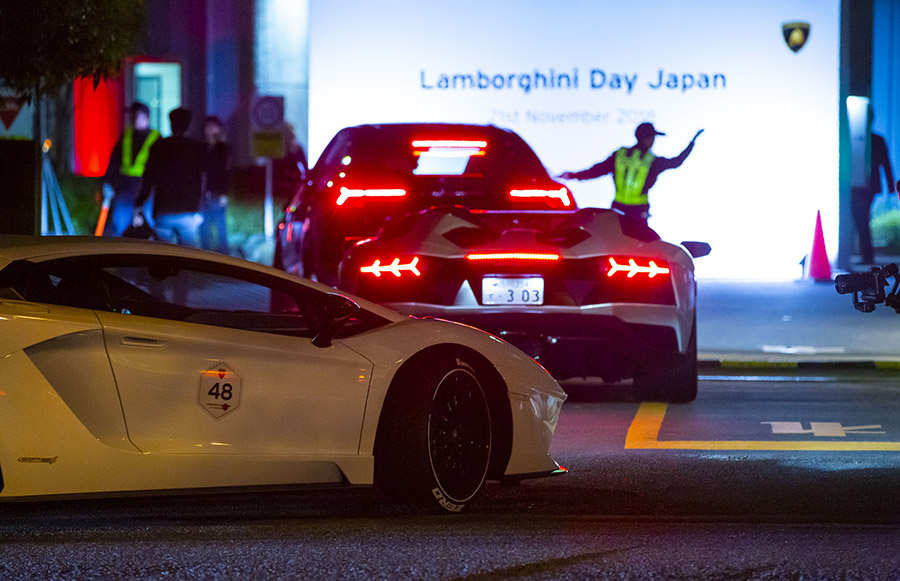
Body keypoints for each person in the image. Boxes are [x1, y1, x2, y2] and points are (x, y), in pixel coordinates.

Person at [558, 122, 703, 226]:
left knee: (616, 244)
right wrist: (692, 143)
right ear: (647, 139)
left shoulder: (620, 156)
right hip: (639, 212)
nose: (653, 141)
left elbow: (595, 171)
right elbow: (676, 162)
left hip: (618, 208)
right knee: (639, 247)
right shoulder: (651, 161)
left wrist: (571, 175)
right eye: (652, 138)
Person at [134, 107, 206, 247]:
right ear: (188, 125)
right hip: (189, 209)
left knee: (164, 254)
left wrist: (139, 203)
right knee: (190, 255)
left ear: (171, 124)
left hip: (163, 209)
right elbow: (205, 178)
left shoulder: (158, 146)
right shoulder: (198, 148)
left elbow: (148, 178)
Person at [101, 102, 160, 236]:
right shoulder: (126, 136)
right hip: (125, 186)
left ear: (146, 117)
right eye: (131, 115)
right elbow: (115, 161)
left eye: (136, 114)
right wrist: (108, 182)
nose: (133, 118)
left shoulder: (156, 138)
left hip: (147, 187)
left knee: (148, 223)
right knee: (120, 223)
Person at [851, 130, 895, 265]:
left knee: (862, 219)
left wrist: (891, 185)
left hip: (866, 186)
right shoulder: (874, 139)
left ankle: (867, 255)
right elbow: (886, 163)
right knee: (862, 219)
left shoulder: (864, 139)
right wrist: (890, 186)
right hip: (865, 186)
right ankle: (867, 255)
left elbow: (886, 163)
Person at [198, 115, 231, 254]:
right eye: (207, 126)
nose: (209, 129)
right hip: (203, 194)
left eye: (212, 126)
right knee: (204, 229)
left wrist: (224, 193)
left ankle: (224, 258)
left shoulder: (222, 148)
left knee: (220, 228)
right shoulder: (202, 147)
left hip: (217, 193)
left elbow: (226, 172)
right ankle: (205, 258)